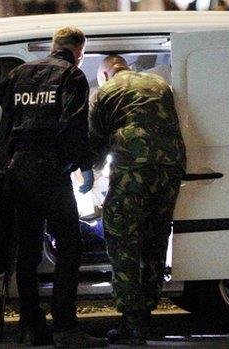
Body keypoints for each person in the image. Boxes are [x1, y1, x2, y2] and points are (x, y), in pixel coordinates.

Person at [0, 27, 105, 348]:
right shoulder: (71, 76)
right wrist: (85, 168)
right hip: (50, 171)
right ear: (79, 52)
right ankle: (66, 328)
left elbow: (8, 119)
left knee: (27, 253)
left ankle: (33, 328)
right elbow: (74, 125)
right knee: (70, 246)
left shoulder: (18, 74)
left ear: (53, 46)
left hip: (18, 169)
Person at [87, 55, 186, 345]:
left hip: (134, 168)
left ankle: (132, 323)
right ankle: (148, 311)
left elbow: (96, 144)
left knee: (124, 242)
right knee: (155, 240)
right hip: (170, 167)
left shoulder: (105, 92)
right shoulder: (159, 83)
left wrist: (88, 177)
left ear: (105, 73)